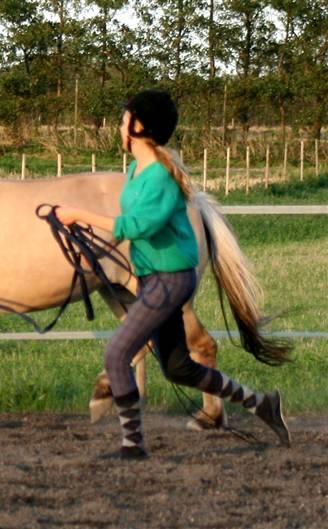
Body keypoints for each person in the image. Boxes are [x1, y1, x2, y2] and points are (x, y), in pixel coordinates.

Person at [55, 89, 291, 459]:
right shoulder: (136, 170)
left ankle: (132, 445)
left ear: (137, 126)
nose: (119, 126)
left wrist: (78, 215)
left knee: (117, 354)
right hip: (153, 278)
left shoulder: (162, 177)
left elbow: (139, 226)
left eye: (123, 119)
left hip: (171, 279)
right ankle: (262, 404)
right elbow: (135, 229)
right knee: (179, 368)